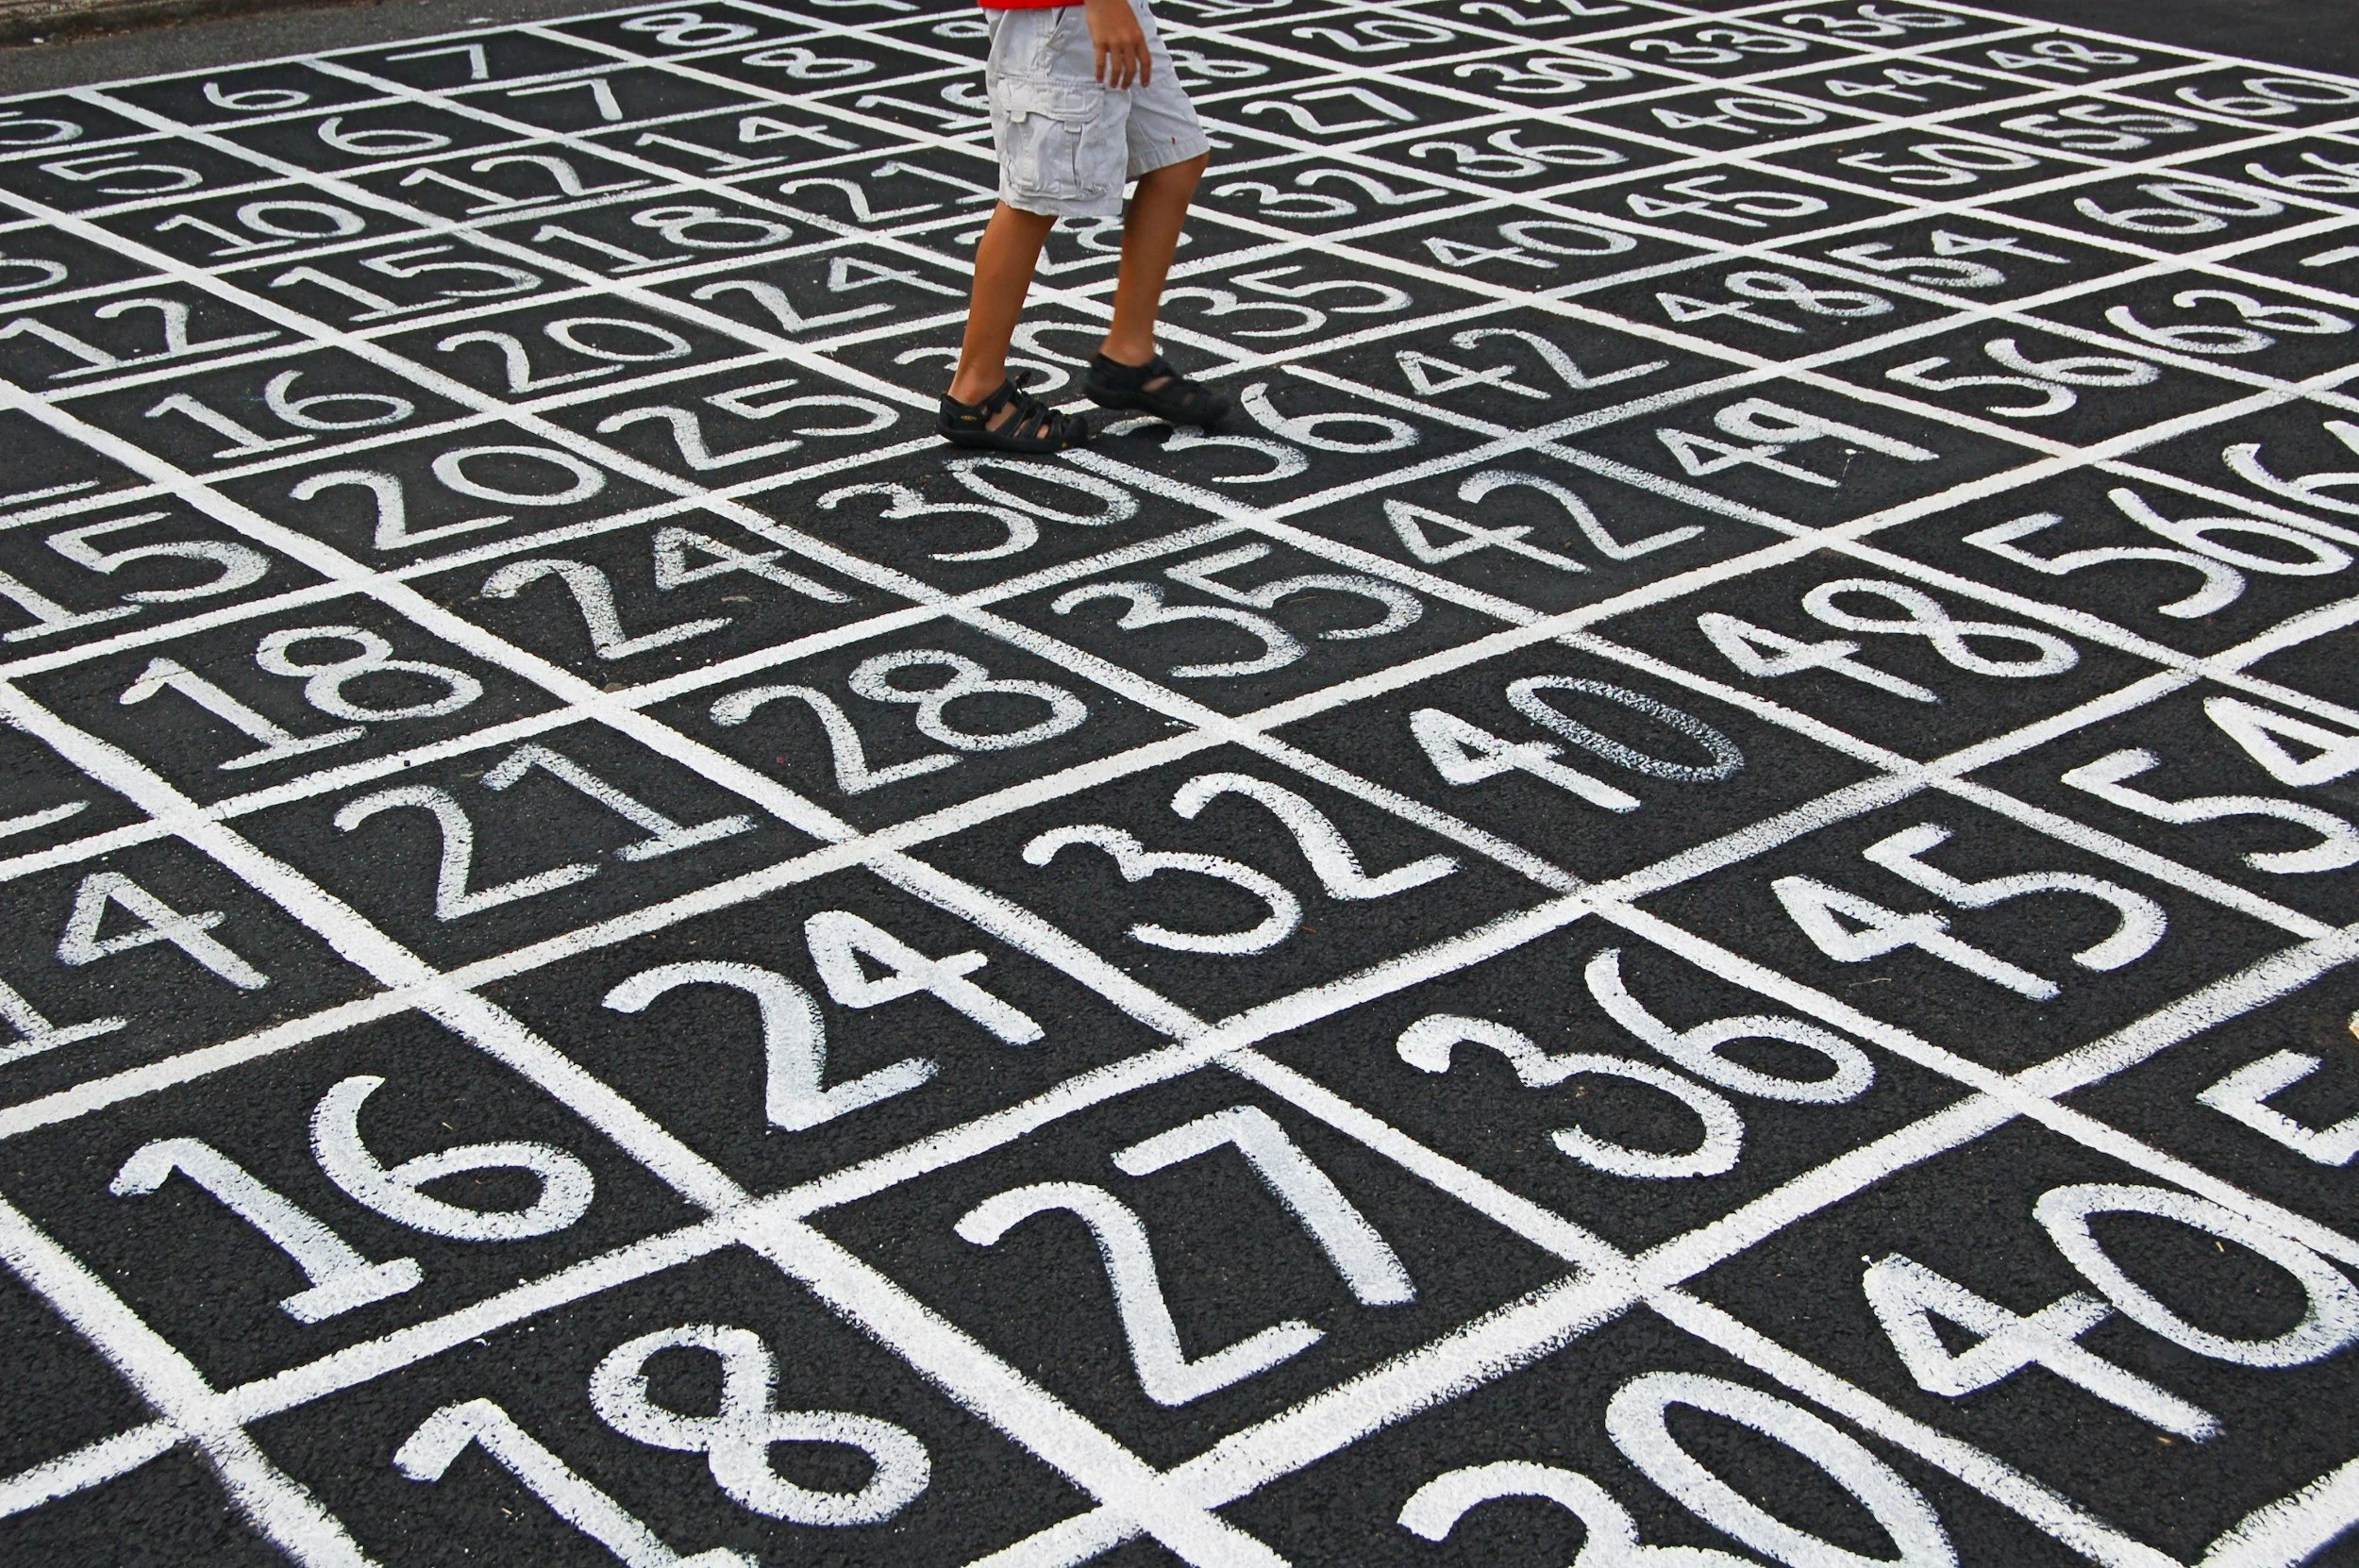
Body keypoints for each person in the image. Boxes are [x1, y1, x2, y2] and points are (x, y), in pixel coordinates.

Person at [940, 0, 1233, 452]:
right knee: (1034, 196)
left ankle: (1128, 353)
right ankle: (974, 391)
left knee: (1176, 157)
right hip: (1060, 17)